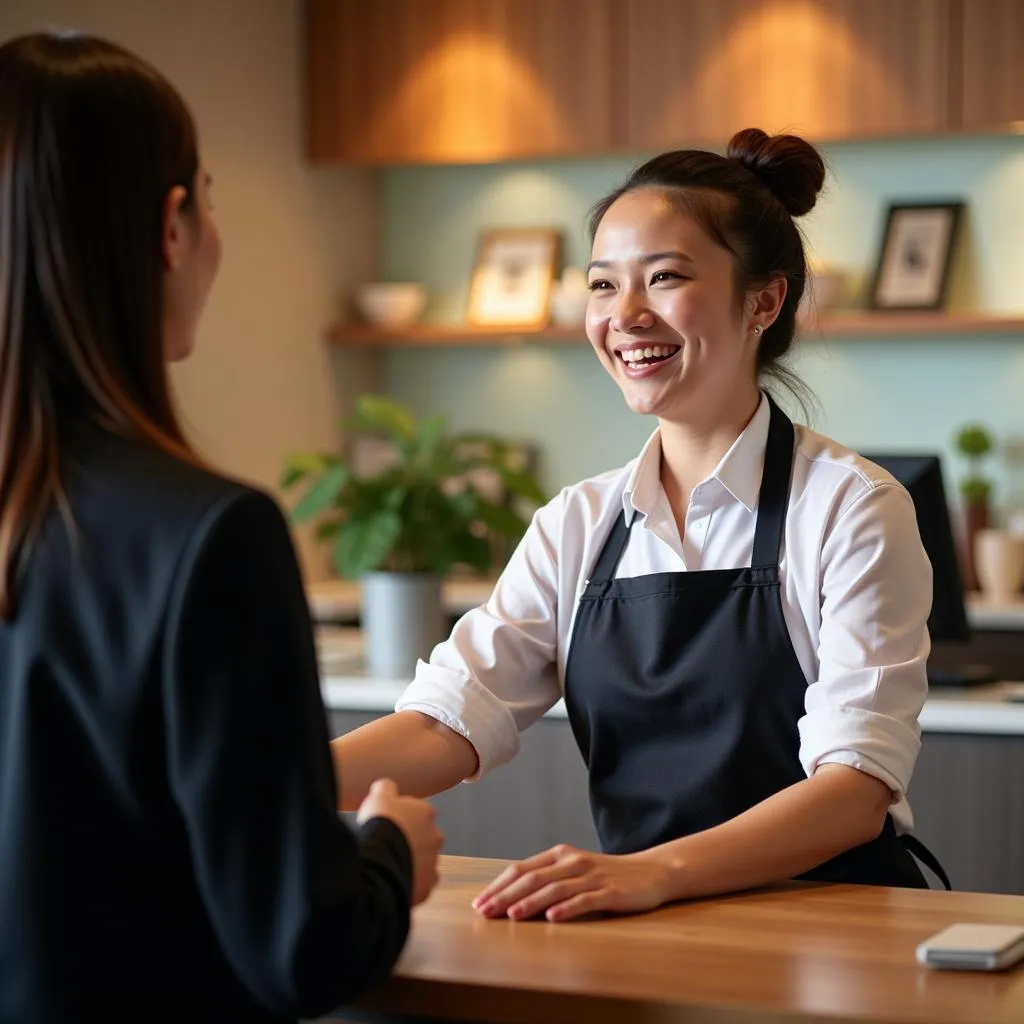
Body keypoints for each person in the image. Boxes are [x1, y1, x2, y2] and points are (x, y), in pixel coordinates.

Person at [332, 126, 951, 923]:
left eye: (664, 279)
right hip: (652, 920)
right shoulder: (578, 523)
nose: (625, 316)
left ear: (764, 300)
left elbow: (854, 791)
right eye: (601, 285)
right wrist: (268, 786)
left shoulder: (849, 506)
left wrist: (655, 873)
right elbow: (449, 720)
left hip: (833, 925)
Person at [0, 31, 442, 1024]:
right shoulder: (209, 536)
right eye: (208, 196)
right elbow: (301, 946)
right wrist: (389, 856)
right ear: (172, 225)